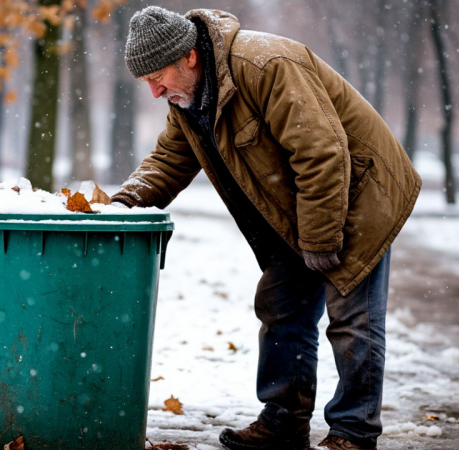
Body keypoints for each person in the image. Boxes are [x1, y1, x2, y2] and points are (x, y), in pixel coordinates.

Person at [110, 6, 421, 450]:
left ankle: (353, 432)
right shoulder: (189, 100)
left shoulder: (266, 65)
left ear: (190, 57)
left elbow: (321, 152)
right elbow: (168, 161)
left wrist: (319, 238)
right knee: (281, 308)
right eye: (146, 83)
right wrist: (120, 207)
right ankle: (283, 422)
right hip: (297, 209)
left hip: (358, 194)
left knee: (353, 319)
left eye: (158, 77)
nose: (155, 91)